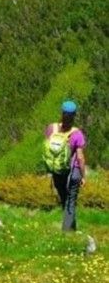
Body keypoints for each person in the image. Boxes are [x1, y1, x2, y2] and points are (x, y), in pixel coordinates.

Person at [43, 99, 86, 232]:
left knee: (64, 199)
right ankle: (67, 232)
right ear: (74, 115)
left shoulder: (51, 128)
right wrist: (84, 176)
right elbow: (80, 157)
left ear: (61, 112)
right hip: (73, 171)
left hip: (57, 170)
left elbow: (47, 148)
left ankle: (71, 229)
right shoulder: (77, 133)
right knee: (71, 201)